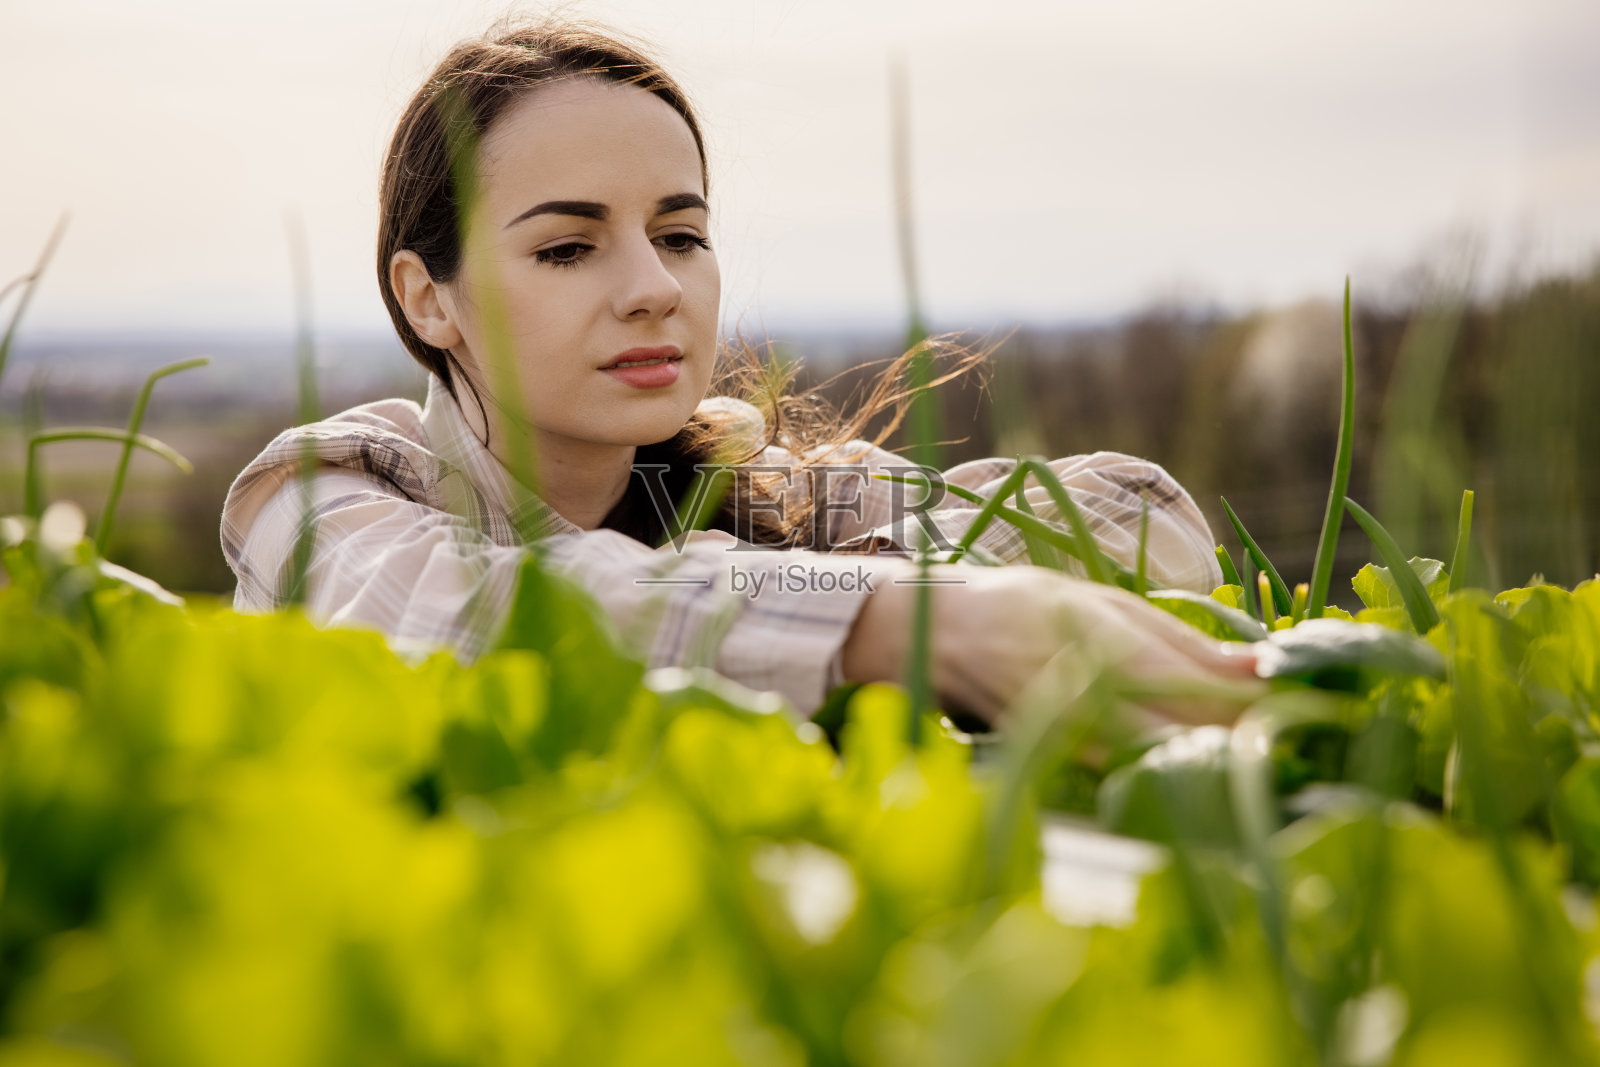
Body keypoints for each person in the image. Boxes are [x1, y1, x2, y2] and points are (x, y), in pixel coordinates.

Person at [220, 18, 1259, 727]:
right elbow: (472, 613)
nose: (652, 289)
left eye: (678, 235)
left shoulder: (764, 490)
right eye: (567, 248)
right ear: (425, 296)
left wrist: (855, 574)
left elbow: (1137, 512)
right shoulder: (325, 490)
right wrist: (899, 621)